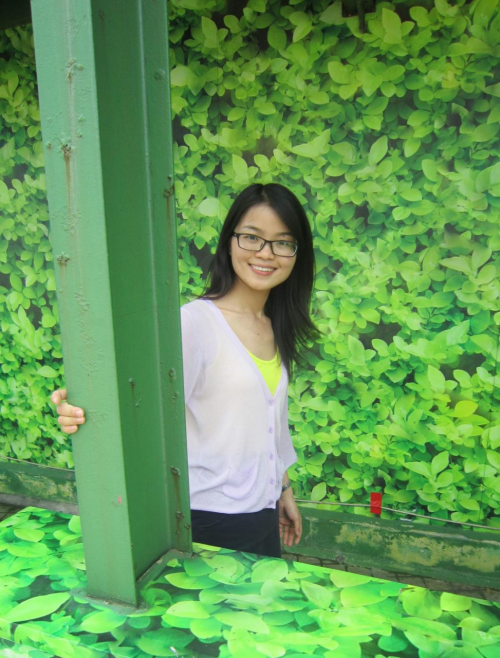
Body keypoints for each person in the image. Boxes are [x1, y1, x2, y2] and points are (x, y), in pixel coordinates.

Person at [52, 183, 318, 558]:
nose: (265, 253)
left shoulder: (275, 324)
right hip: (209, 521)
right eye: (252, 237)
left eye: (282, 242)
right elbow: (143, 408)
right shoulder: (194, 324)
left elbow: (266, 423)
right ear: (229, 242)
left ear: (297, 253)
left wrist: (283, 488)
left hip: (263, 513)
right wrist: (84, 410)